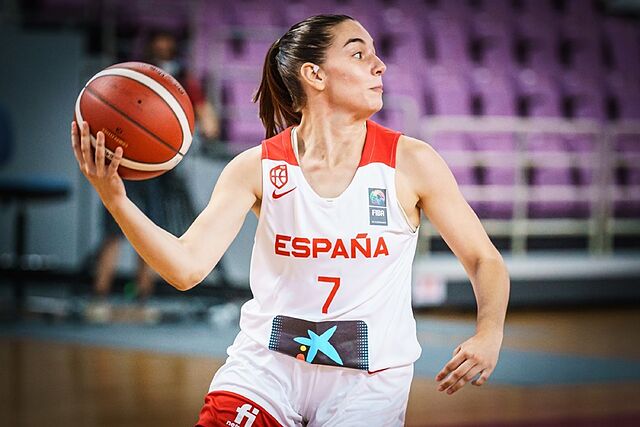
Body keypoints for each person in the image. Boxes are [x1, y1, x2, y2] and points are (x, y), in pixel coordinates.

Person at [71, 14, 509, 426]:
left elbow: (483, 260)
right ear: (314, 75)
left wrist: (488, 333)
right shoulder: (255, 167)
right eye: (359, 54)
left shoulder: (412, 162)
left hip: (369, 379)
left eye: (375, 53)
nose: (380, 66)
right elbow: (186, 268)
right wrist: (116, 199)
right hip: (266, 369)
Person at [85, 30, 223, 324]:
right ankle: (99, 297)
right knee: (113, 232)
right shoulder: (134, 75)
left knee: (148, 232)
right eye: (158, 42)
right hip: (122, 164)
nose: (163, 46)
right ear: (149, 47)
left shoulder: (185, 80)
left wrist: (205, 125)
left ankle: (142, 297)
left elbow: (209, 121)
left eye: (167, 42)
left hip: (158, 170)